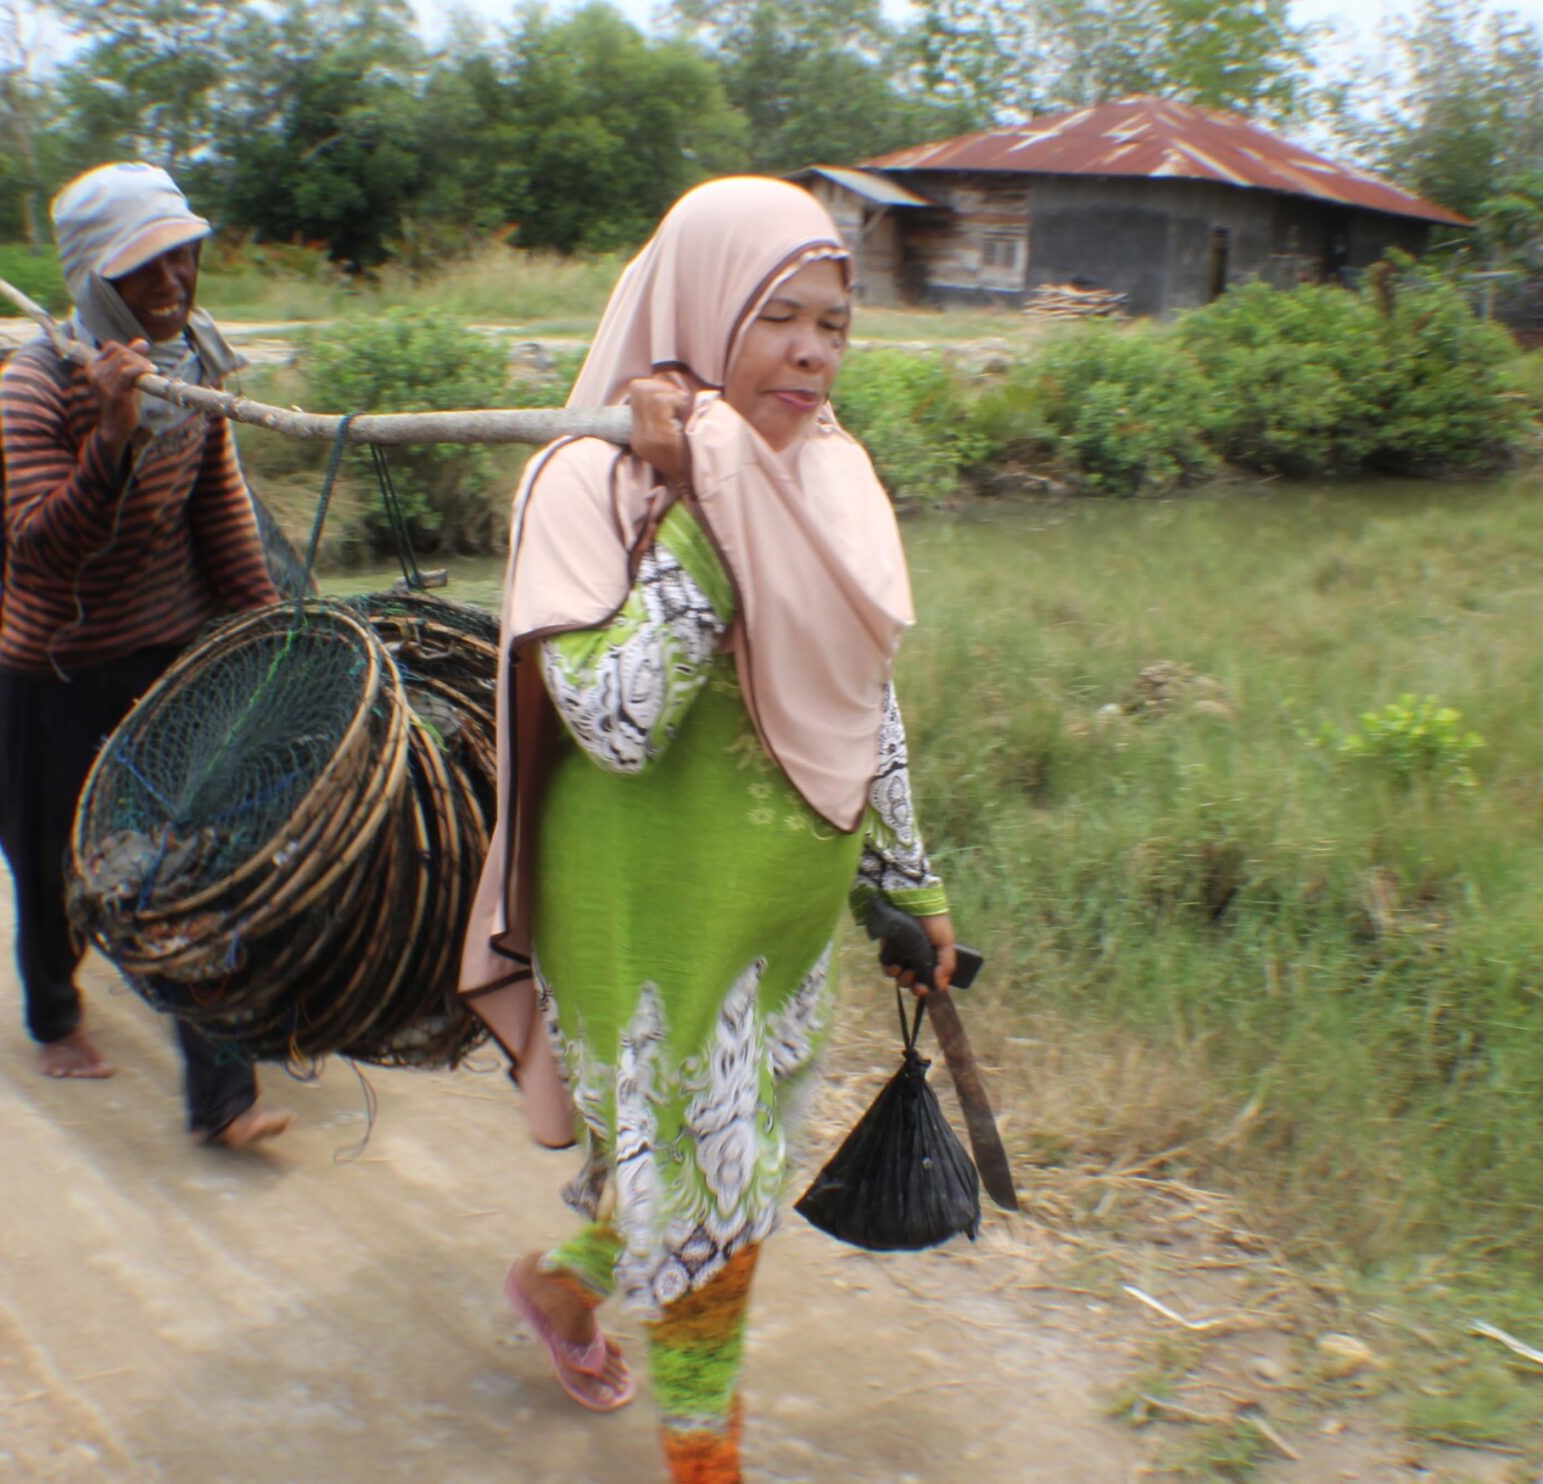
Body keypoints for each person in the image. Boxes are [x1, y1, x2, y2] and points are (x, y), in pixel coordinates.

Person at [458, 177, 958, 1480]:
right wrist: (703, 516)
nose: (811, 350)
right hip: (649, 923)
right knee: (710, 1193)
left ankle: (566, 1290)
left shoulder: (833, 474)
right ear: (699, 310)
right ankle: (705, 1463)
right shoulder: (588, 484)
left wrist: (910, 879)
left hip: (776, 925)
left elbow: (865, 699)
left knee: (715, 1177)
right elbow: (614, 721)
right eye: (778, 317)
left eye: (834, 324)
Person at [0, 161, 291, 1148]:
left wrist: (274, 629)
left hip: (165, 651)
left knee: (186, 856)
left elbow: (221, 514)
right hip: (53, 669)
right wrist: (110, 435)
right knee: (48, 859)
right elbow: (40, 546)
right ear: (94, 282)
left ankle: (223, 1097)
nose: (173, 285)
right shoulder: (35, 378)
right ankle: (54, 1014)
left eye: (183, 257)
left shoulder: (195, 361)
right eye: (145, 270)